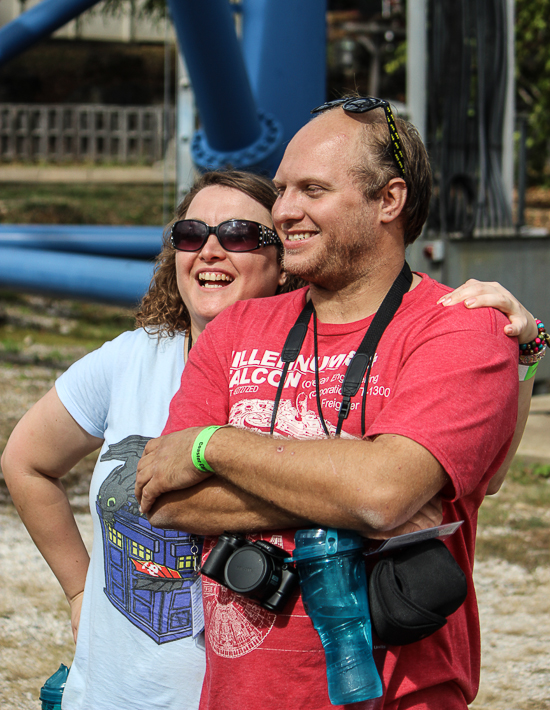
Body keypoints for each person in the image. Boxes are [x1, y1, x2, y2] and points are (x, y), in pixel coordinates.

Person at [134, 99, 542, 710]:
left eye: (312, 189)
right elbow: (165, 499)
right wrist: (349, 483)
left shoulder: (458, 329)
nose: (284, 211)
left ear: (390, 200)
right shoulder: (236, 328)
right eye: (281, 189)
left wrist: (212, 446)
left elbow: (381, 494)